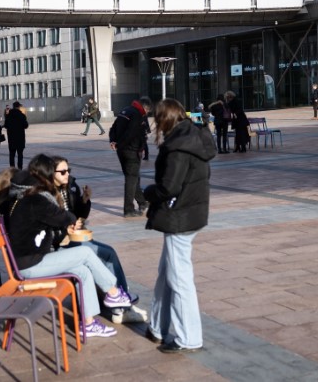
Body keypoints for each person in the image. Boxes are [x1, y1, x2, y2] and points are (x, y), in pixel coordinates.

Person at [0, 155, 133, 338]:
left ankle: (88, 324)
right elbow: (63, 216)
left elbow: (60, 218)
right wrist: (70, 222)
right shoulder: (34, 199)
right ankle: (113, 292)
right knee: (85, 253)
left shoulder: (20, 197)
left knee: (82, 270)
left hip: (29, 259)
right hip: (30, 265)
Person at [143, 98, 216, 353]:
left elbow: (169, 187)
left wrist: (147, 192)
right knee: (167, 272)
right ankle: (156, 326)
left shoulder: (177, 147)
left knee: (179, 278)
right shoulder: (196, 137)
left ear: (165, 119)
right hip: (192, 212)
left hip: (179, 216)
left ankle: (189, 337)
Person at [50, 155, 147, 324]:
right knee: (106, 254)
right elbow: (52, 225)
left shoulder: (69, 186)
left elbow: (79, 214)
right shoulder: (48, 196)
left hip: (74, 238)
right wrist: (67, 229)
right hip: (63, 243)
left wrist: (84, 201)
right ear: (51, 173)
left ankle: (121, 306)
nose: (67, 175)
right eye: (63, 172)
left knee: (108, 254)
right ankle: (121, 306)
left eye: (68, 170)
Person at [109, 97, 152, 217]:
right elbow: (131, 133)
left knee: (133, 177)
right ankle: (128, 209)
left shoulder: (125, 110)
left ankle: (142, 202)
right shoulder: (137, 114)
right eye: (148, 111)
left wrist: (113, 141)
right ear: (145, 107)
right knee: (131, 179)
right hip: (131, 151)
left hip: (122, 150)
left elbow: (113, 128)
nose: (147, 113)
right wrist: (121, 144)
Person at [4, 101, 29, 169]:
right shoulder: (22, 115)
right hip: (20, 138)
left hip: (11, 138)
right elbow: (26, 125)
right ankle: (20, 168)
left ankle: (12, 168)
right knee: (20, 155)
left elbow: (5, 126)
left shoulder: (8, 116)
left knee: (12, 154)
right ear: (19, 107)